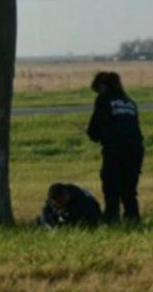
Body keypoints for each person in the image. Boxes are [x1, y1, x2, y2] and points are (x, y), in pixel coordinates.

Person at [87, 72, 145, 224]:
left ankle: (112, 219)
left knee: (111, 186)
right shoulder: (130, 102)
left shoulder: (104, 100)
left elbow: (94, 130)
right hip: (135, 150)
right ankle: (132, 219)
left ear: (102, 86)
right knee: (129, 189)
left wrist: (94, 134)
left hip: (115, 149)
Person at [36, 183, 101, 229]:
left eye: (60, 202)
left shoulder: (85, 202)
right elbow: (45, 216)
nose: (58, 206)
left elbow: (92, 221)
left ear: (66, 196)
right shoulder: (53, 201)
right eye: (55, 204)